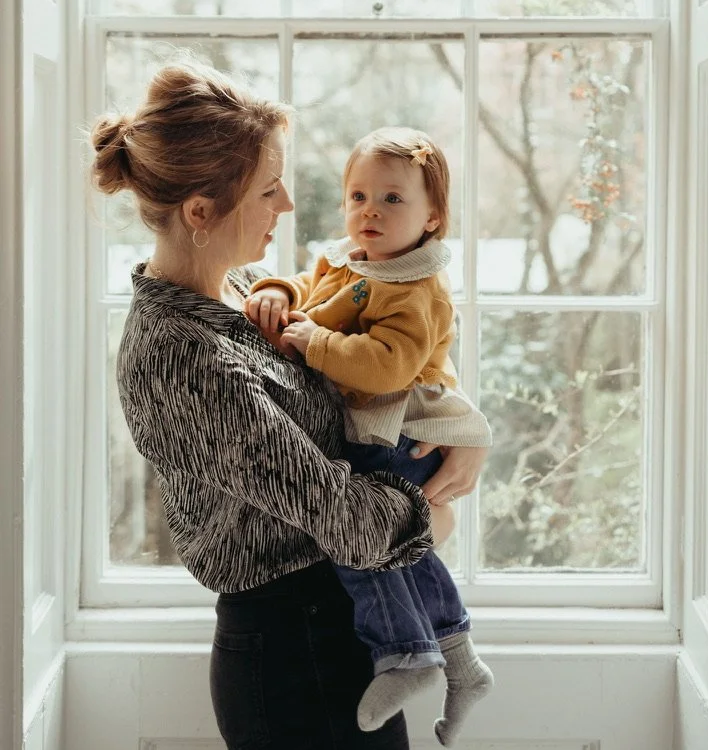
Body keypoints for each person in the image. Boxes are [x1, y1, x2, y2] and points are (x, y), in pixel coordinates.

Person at [89, 62, 488, 750]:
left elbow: (374, 366)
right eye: (269, 189)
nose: (290, 206)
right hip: (294, 659)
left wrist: (463, 429)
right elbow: (349, 523)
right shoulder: (181, 356)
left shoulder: (245, 289)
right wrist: (435, 509)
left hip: (342, 637)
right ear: (199, 213)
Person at [246, 126, 494, 747]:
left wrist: (315, 342)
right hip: (371, 431)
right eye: (358, 196)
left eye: (391, 199)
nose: (369, 212)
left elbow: (389, 365)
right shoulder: (350, 259)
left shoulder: (415, 288)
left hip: (402, 432)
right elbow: (315, 288)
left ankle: (406, 653)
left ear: (433, 216)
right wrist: (279, 290)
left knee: (365, 544)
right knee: (409, 555)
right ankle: (461, 662)